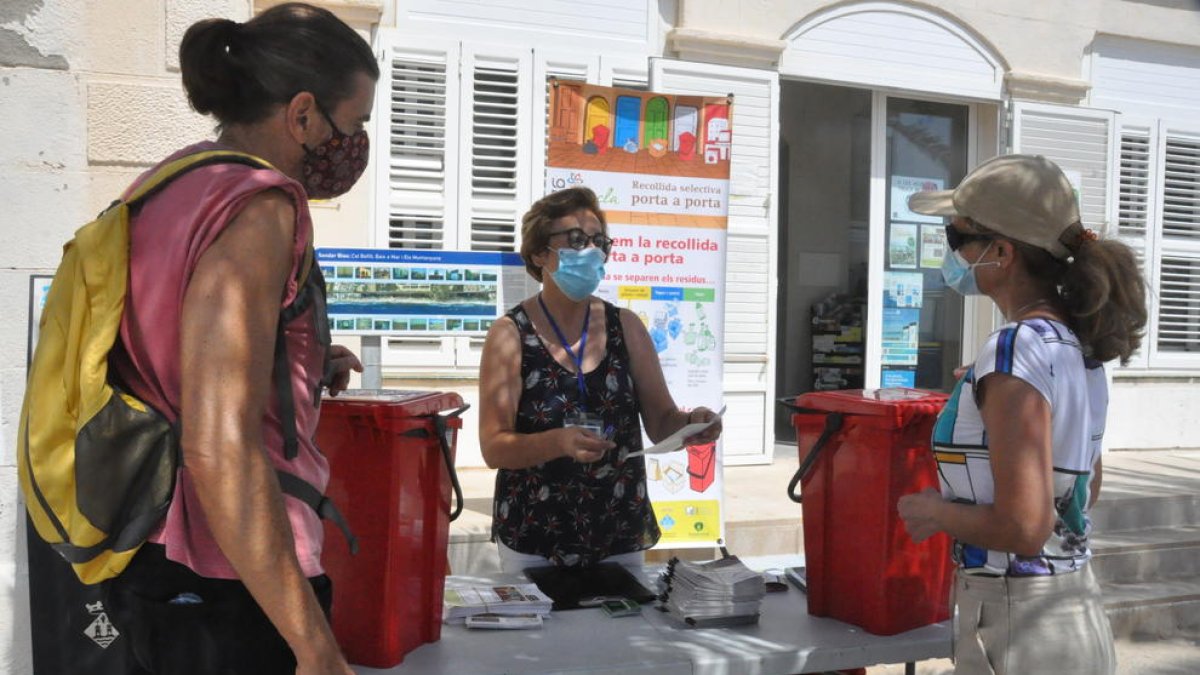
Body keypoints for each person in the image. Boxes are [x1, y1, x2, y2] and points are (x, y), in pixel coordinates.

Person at [102, 4, 377, 674]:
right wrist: (314, 647)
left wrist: (301, 364)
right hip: (236, 571)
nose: (358, 143)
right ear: (304, 114)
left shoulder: (171, 184)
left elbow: (170, 348)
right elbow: (220, 442)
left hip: (149, 543)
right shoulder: (259, 208)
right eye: (357, 122)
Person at [898, 155, 1146, 674]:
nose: (955, 255)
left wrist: (933, 512)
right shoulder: (1076, 344)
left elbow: (1024, 527)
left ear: (1002, 252)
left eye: (957, 238)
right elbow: (1083, 490)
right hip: (1071, 612)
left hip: (1019, 621)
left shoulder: (1015, 350)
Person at [478, 186, 723, 572]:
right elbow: (494, 448)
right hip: (536, 534)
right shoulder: (510, 334)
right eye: (576, 240)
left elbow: (661, 423)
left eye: (599, 242)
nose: (591, 251)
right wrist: (557, 442)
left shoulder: (626, 326)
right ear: (540, 252)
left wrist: (692, 425)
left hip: (618, 528)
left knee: (621, 632)